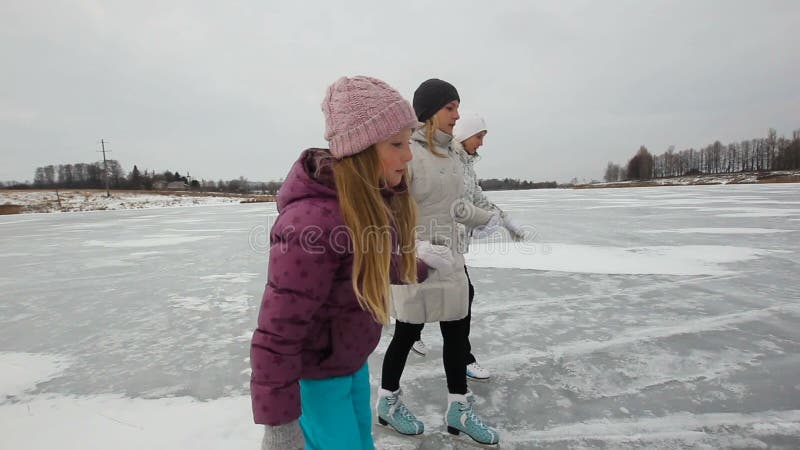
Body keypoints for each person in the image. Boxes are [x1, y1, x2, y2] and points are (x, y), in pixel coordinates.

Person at [250, 76, 452, 450]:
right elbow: (276, 334)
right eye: (396, 143)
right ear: (360, 150)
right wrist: (278, 424)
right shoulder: (310, 225)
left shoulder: (364, 206)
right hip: (317, 377)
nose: (408, 155)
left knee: (361, 443)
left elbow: (375, 264)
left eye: (408, 142)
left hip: (351, 362)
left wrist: (419, 264)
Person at [377, 78, 501, 446]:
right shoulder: (407, 154)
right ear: (430, 113)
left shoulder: (451, 157)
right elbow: (388, 212)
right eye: (450, 108)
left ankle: (458, 410)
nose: (457, 115)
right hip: (418, 262)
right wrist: (410, 251)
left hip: (451, 261)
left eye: (457, 107)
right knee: (406, 333)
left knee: (457, 333)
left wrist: (484, 218)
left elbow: (456, 206)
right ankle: (387, 402)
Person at [450, 111, 528, 382]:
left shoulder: (467, 165)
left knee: (458, 299)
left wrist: (506, 221)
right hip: (442, 244)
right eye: (479, 136)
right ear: (465, 135)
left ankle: (418, 336)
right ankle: (462, 358)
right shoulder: (452, 163)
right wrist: (482, 222)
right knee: (460, 298)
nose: (481, 143)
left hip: (455, 246)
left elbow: (478, 199)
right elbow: (454, 207)